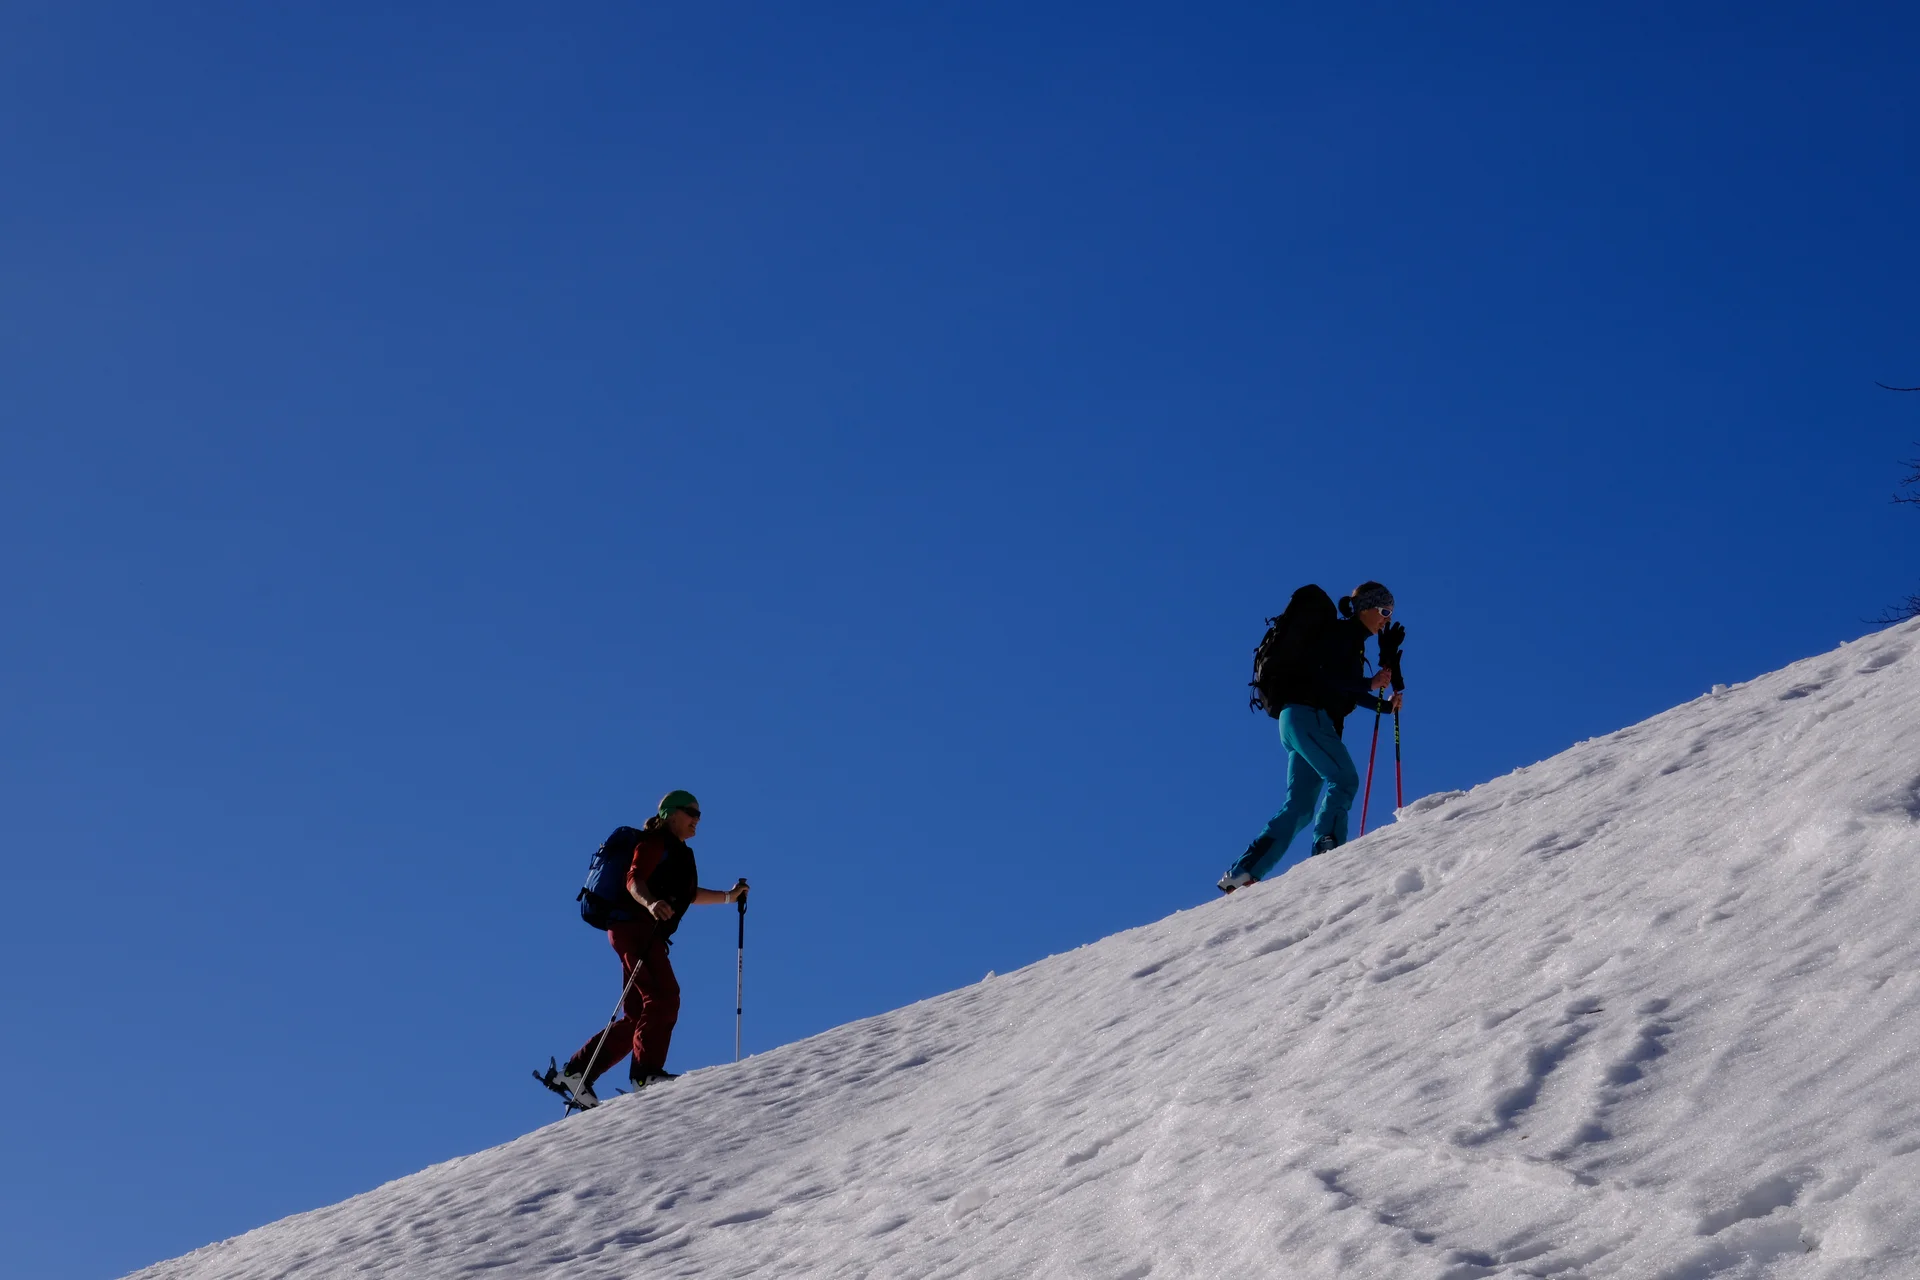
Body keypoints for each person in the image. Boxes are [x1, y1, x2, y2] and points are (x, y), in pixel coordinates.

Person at [553, 790, 747, 1107]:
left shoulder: (680, 853)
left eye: (699, 815)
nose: (697, 819)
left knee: (638, 1014)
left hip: (639, 931)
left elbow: (687, 894)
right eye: (690, 812)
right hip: (635, 928)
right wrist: (651, 902)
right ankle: (646, 1074)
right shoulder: (655, 841)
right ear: (670, 813)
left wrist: (729, 896)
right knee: (664, 996)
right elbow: (634, 879)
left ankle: (577, 1071)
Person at [1218, 582, 1403, 893]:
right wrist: (1369, 683)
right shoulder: (1342, 636)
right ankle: (1327, 853)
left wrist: (1383, 704)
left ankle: (1244, 871)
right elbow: (1325, 675)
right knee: (1344, 780)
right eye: (1384, 611)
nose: (1386, 619)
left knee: (1301, 805)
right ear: (1367, 608)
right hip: (1310, 716)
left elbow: (1345, 688)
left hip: (1298, 720)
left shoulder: (1349, 641)